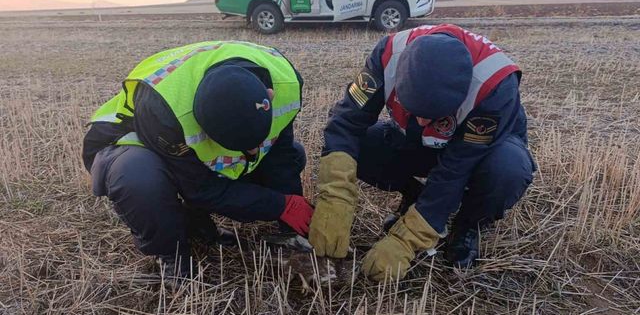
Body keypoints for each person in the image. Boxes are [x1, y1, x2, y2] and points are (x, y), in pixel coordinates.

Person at [308, 24, 535, 281]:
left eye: (434, 116)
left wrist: (409, 239)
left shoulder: (494, 84)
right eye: (415, 110)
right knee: (361, 145)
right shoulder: (389, 54)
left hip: (479, 152)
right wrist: (335, 197)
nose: (425, 122)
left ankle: (468, 225)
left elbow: (456, 169)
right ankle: (414, 196)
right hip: (416, 142)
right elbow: (346, 123)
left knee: (507, 170)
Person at [82, 41, 313, 277]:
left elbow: (280, 156)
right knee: (139, 177)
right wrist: (277, 205)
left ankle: (197, 224)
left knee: (294, 154)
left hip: (183, 144)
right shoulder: (167, 109)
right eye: (245, 146)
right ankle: (171, 254)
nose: (255, 152)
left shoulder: (285, 81)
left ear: (269, 98)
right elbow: (201, 187)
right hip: (126, 143)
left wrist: (291, 212)